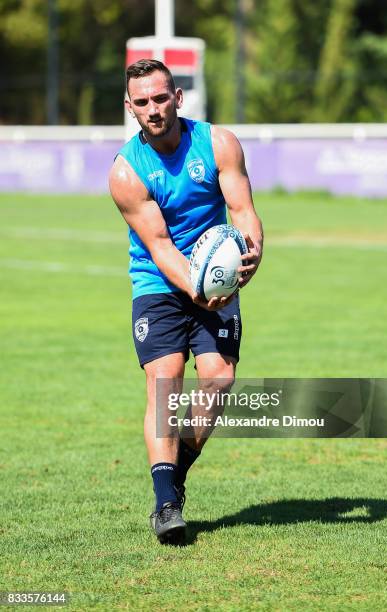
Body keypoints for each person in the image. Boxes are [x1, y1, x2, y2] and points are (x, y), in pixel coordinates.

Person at [109, 59, 263, 544]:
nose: (154, 109)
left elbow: (242, 211)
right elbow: (159, 247)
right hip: (158, 282)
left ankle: (172, 474)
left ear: (177, 98)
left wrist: (250, 256)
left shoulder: (218, 143)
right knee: (166, 378)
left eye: (161, 98)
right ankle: (166, 504)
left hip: (216, 276)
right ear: (130, 108)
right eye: (143, 102)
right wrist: (199, 291)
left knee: (219, 379)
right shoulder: (127, 173)